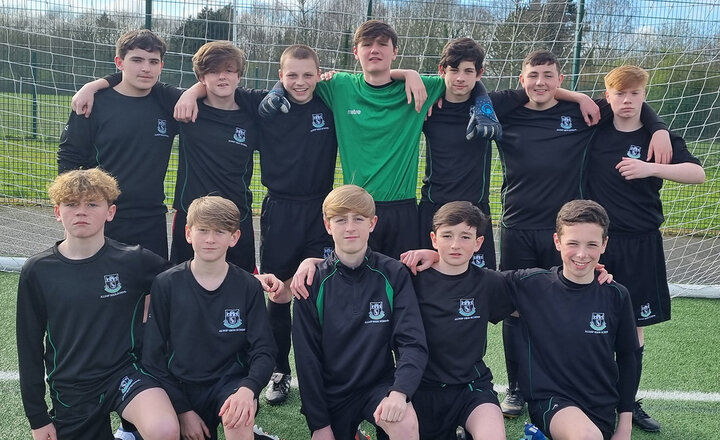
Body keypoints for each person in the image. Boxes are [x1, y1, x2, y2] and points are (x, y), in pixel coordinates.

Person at [490, 50, 672, 418]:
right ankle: (516, 389)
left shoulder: (582, 113)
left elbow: (629, 99)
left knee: (574, 310)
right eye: (533, 75)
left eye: (549, 75)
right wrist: (577, 93)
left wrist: (659, 128)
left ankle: (583, 389)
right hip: (517, 227)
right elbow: (468, 92)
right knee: (515, 311)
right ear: (521, 79)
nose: (540, 82)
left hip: (565, 234)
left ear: (560, 79)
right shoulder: (503, 110)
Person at [260, 20, 502, 260]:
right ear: (356, 52)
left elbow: (464, 79)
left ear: (395, 51)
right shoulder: (339, 86)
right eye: (366, 44)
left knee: (404, 285)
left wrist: (483, 104)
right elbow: (299, 82)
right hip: (358, 209)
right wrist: (276, 90)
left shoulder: (421, 89)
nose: (374, 49)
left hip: (403, 209)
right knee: (356, 286)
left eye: (383, 44)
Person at [402, 199, 639, 440]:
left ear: (604, 244)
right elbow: (458, 270)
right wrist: (435, 255)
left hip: (601, 405)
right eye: (573, 243)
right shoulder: (532, 284)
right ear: (557, 242)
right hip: (552, 400)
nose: (581, 253)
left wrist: (625, 427)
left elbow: (629, 359)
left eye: (591, 245)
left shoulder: (615, 294)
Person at [71, 40, 263, 273]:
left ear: (239, 75)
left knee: (241, 284)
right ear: (202, 77)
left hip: (237, 214)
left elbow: (287, 90)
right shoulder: (183, 108)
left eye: (229, 71)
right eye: (213, 71)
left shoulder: (253, 112)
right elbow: (128, 77)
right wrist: (91, 86)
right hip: (190, 215)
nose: (222, 77)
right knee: (179, 284)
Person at [16, 168, 179, 440]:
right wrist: (37, 418)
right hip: (72, 385)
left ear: (110, 212)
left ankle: (133, 430)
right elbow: (29, 346)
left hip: (125, 374)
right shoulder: (38, 270)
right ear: (58, 212)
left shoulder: (134, 260)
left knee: (164, 430)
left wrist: (247, 281)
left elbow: (187, 280)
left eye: (92, 204)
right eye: (71, 204)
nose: (81, 211)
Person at [586, 64, 705, 432]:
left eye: (634, 94)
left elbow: (697, 174)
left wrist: (650, 168)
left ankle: (628, 402)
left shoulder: (659, 139)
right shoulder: (595, 127)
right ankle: (591, 396)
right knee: (592, 321)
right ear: (608, 96)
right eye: (620, 94)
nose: (627, 100)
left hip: (642, 243)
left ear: (644, 96)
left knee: (635, 327)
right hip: (599, 244)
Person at [292, 185, 428, 440]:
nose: (350, 227)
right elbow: (306, 358)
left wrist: (399, 393)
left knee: (405, 424)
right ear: (328, 225)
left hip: (379, 389)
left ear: (373, 223)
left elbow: (412, 342)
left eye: (359, 219)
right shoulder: (311, 282)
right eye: (341, 220)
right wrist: (319, 425)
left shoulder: (394, 274)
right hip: (333, 395)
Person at [141, 195, 278, 440]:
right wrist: (183, 411)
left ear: (234, 237)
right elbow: (152, 357)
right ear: (188, 233)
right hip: (179, 385)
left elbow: (264, 350)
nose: (210, 239)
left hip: (229, 384)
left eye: (220, 231)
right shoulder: (166, 284)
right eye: (203, 230)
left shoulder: (248, 286)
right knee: (162, 431)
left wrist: (248, 389)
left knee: (237, 418)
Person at [256, 44, 337, 406]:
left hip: (322, 209)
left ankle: (328, 368)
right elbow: (212, 85)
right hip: (280, 210)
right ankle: (279, 371)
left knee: (318, 288)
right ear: (280, 76)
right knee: (279, 294)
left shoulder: (331, 102)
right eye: (292, 75)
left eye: (308, 75)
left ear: (320, 75)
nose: (300, 82)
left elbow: (370, 81)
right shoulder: (265, 106)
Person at [59, 29, 178, 259]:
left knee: (151, 290)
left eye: (153, 62)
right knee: (99, 289)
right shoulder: (93, 103)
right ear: (119, 62)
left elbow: (208, 90)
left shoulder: (167, 103)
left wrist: (95, 83)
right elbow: (69, 158)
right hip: (103, 215)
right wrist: (74, 209)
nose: (146, 68)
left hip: (151, 217)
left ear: (161, 66)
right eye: (137, 60)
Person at [418, 37, 527, 270]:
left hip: (475, 208)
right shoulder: (426, 105)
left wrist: (579, 97)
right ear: (441, 71)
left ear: (479, 74)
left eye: (468, 71)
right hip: (433, 206)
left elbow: (536, 90)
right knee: (426, 277)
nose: (460, 78)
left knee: (479, 283)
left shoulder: (491, 106)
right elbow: (386, 80)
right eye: (454, 70)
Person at [411, 201, 514, 440]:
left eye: (465, 237)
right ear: (434, 239)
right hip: (421, 388)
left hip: (472, 386)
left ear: (478, 243)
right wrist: (312, 263)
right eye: (447, 235)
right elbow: (364, 269)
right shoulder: (411, 278)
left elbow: (544, 284)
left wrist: (592, 271)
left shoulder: (489, 282)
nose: (456, 245)